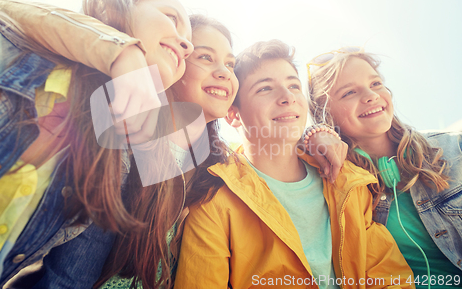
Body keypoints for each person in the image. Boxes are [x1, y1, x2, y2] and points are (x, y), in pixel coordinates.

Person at [0, 0, 193, 289]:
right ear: (108, 8)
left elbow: (69, 281)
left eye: (188, 41)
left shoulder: (116, 163)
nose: (187, 45)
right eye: (171, 17)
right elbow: (1, 10)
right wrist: (123, 53)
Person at [174, 39, 414, 289]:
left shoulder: (347, 181)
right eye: (265, 89)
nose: (288, 97)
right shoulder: (214, 199)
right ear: (234, 115)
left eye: (293, 85)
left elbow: (389, 277)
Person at [95, 14, 239, 289]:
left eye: (230, 64)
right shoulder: (125, 146)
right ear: (175, 62)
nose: (224, 72)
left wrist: (318, 135)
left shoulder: (220, 169)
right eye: (206, 57)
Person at [307, 47, 462, 288]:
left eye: (376, 83)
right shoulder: (337, 180)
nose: (371, 96)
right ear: (324, 114)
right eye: (349, 92)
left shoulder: (455, 147)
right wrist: (314, 133)